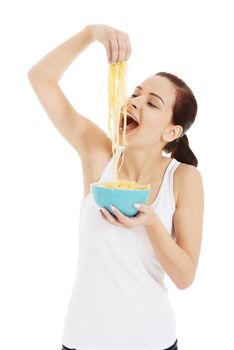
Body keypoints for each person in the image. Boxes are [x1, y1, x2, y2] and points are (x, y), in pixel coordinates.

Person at [28, 24, 204, 350]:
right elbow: (40, 78)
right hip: (82, 340)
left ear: (171, 132)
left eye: (152, 103)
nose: (134, 101)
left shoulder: (183, 178)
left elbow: (185, 276)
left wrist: (151, 223)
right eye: (135, 93)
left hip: (153, 341)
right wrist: (91, 33)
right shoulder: (99, 155)